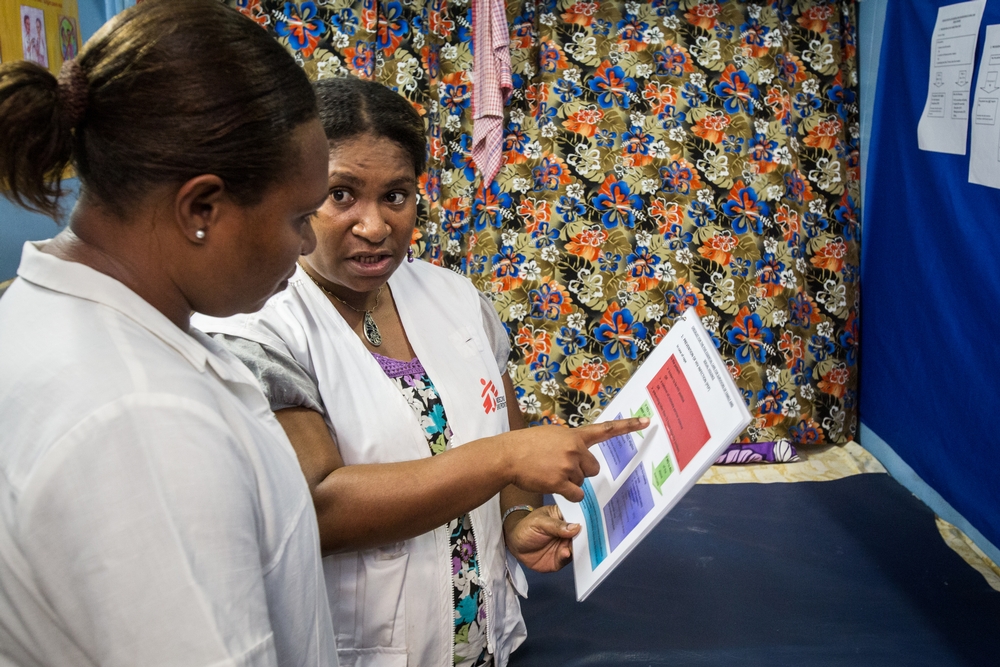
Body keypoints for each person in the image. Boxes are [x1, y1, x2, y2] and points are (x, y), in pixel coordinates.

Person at [194, 77, 647, 667]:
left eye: (396, 196)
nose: (375, 226)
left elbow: (500, 427)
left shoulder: (455, 298)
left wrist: (515, 516)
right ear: (297, 191)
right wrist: (506, 459)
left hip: (486, 644)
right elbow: (318, 506)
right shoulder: (258, 324)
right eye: (341, 195)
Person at [0, 1, 339, 664]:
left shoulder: (50, 318)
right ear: (201, 208)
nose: (304, 244)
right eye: (299, 216)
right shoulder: (144, 421)